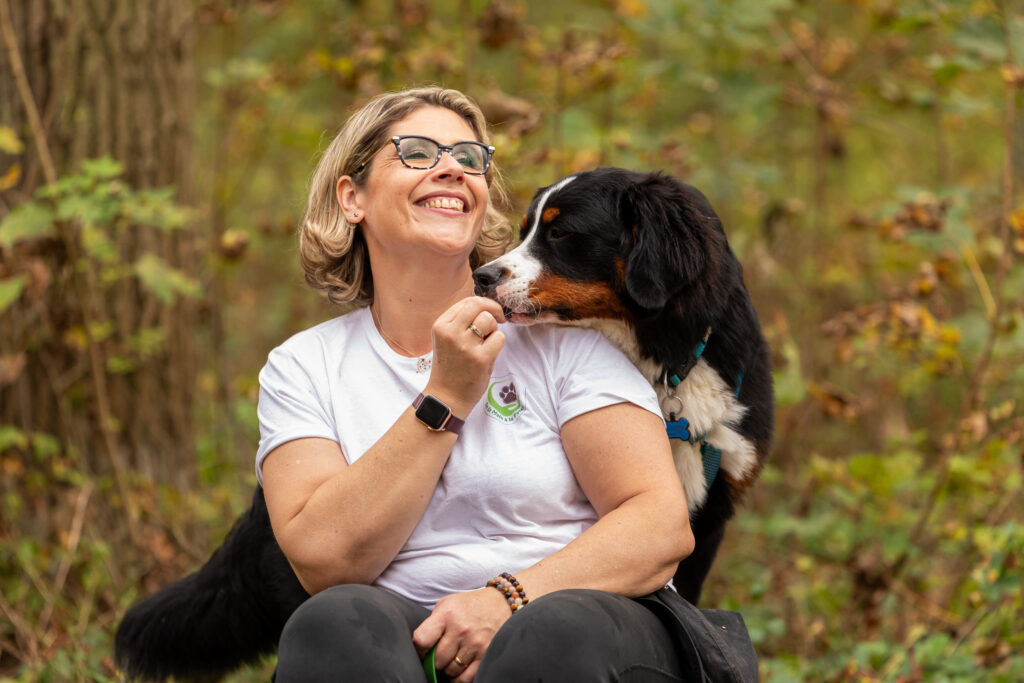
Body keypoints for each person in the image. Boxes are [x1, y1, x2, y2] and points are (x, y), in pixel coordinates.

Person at [257, 86, 694, 682]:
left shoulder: (562, 342)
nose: (452, 169)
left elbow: (659, 526)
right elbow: (324, 559)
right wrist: (446, 396)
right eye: (417, 151)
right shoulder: (304, 365)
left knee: (549, 634)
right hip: (403, 635)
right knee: (331, 623)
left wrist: (510, 600)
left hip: (585, 623)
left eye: (469, 157)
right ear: (351, 197)